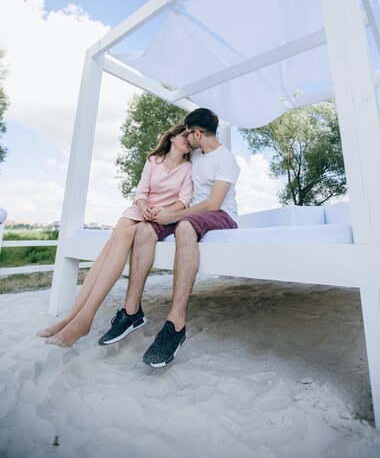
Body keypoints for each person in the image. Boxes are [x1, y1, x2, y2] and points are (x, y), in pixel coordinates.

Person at [101, 107, 240, 368]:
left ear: (198, 133)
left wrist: (174, 216)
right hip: (189, 213)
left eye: (189, 133)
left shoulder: (226, 159)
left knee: (186, 226)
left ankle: (176, 324)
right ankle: (132, 312)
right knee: (144, 229)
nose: (186, 137)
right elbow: (174, 177)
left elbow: (213, 203)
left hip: (220, 215)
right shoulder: (195, 156)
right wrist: (162, 212)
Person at [37, 124, 192, 347]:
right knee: (107, 252)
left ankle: (84, 319)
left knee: (120, 239)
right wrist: (143, 205)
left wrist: (163, 212)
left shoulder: (188, 168)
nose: (188, 139)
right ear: (173, 137)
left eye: (190, 136)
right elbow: (141, 192)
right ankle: (72, 318)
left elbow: (183, 201)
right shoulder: (153, 161)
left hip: (161, 216)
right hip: (138, 210)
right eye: (184, 134)